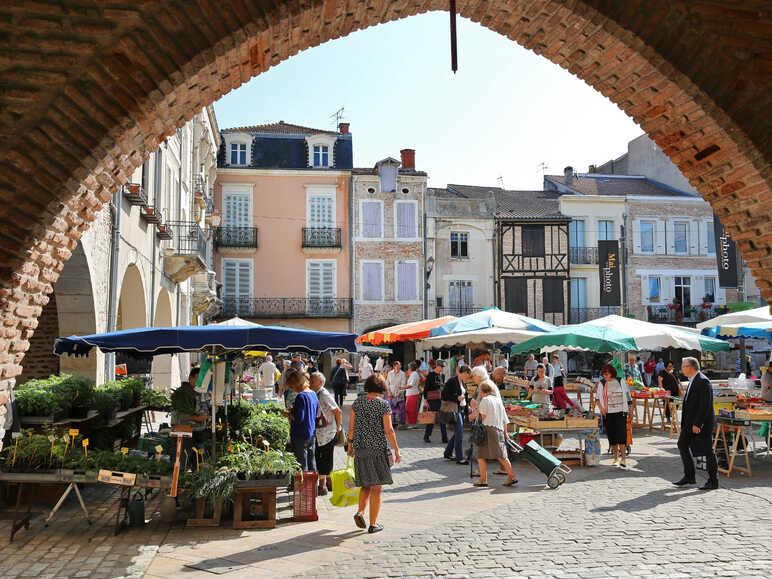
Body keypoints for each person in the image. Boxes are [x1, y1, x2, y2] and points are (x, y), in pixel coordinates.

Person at [347, 374, 401, 534]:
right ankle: (373, 524)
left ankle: (360, 512)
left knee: (365, 485)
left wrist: (350, 446)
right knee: (376, 488)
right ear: (381, 387)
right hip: (377, 450)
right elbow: (389, 430)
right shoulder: (383, 405)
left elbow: (351, 428)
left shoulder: (357, 403)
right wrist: (396, 449)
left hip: (361, 449)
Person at [674, 357, 718, 490]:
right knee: (682, 444)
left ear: (690, 367)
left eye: (683, 366)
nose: (682, 369)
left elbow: (705, 405)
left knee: (708, 451)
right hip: (689, 422)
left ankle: (713, 481)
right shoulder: (693, 380)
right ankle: (689, 476)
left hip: (701, 423)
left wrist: (698, 424)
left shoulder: (703, 381)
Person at [469, 380, 517, 487]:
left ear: (482, 391)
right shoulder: (498, 401)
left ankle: (483, 480)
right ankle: (511, 476)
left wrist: (472, 416)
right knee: (502, 455)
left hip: (487, 429)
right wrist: (505, 433)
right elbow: (505, 419)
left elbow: (483, 417)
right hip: (499, 429)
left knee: (481, 455)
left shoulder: (485, 400)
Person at [310, 372, 341, 496]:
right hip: (320, 432)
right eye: (310, 380)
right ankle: (329, 482)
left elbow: (337, 411)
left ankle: (322, 485)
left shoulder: (323, 394)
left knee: (323, 458)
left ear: (320, 383)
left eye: (313, 381)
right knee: (324, 457)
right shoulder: (316, 393)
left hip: (327, 432)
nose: (310, 383)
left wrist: (338, 427)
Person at [170, 367, 208, 464]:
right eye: (198, 378)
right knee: (181, 462)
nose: (200, 381)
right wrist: (197, 418)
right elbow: (178, 416)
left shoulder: (200, 392)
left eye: (202, 379)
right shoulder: (181, 393)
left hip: (198, 432)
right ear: (190, 378)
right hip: (184, 432)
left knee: (199, 463)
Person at [285, 368, 318, 472]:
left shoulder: (301, 396)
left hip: (300, 434)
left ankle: (302, 486)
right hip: (311, 432)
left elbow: (299, 418)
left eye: (292, 386)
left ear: (296, 384)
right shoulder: (313, 393)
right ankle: (313, 487)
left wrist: (289, 414)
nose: (293, 389)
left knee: (301, 463)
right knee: (311, 462)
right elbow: (315, 412)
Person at [597, 364, 630, 468]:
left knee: (622, 436)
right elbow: (597, 399)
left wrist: (631, 409)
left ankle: (623, 459)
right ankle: (615, 458)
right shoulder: (602, 383)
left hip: (621, 412)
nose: (605, 376)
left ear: (612, 373)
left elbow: (628, 396)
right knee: (612, 437)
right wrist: (601, 409)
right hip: (608, 414)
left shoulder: (621, 381)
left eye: (606, 374)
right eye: (603, 374)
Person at [442, 364, 471, 465]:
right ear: (463, 373)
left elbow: (465, 397)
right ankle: (460, 457)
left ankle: (448, 452)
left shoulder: (463, 382)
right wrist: (456, 398)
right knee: (459, 433)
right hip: (455, 409)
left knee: (458, 432)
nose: (468, 376)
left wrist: (468, 409)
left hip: (462, 409)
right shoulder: (452, 381)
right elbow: (444, 395)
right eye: (468, 374)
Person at [423, 360, 447, 443]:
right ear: (437, 366)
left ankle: (445, 438)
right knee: (431, 419)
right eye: (441, 367)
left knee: (443, 419)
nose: (442, 368)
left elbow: (443, 388)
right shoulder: (430, 375)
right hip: (432, 400)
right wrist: (425, 399)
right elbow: (426, 388)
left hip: (441, 399)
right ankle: (427, 436)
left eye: (443, 367)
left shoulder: (442, 375)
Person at [386, 361, 406, 427]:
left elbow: (403, 384)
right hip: (390, 394)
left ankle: (402, 423)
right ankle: (392, 423)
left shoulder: (402, 374)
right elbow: (387, 383)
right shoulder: (390, 373)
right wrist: (389, 391)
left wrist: (399, 393)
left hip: (399, 394)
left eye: (399, 366)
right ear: (394, 366)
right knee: (390, 408)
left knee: (401, 408)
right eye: (396, 366)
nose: (398, 367)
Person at [402, 361, 421, 428]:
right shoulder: (413, 374)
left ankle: (412, 423)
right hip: (412, 393)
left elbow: (411, 385)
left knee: (410, 409)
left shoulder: (414, 374)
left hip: (412, 394)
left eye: (409, 367)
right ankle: (412, 423)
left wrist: (402, 387)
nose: (408, 368)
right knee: (412, 409)